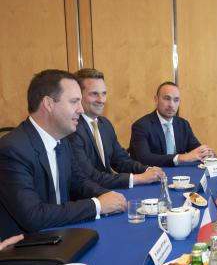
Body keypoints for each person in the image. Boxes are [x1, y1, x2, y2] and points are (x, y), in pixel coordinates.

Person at [0, 69, 126, 239]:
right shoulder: (12, 149)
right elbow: (33, 216)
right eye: (74, 101)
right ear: (49, 104)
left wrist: (108, 196)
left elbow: (78, 182)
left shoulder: (63, 140)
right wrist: (97, 205)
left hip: (62, 235)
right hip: (27, 248)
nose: (81, 110)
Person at [68, 68, 164, 189]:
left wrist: (147, 169)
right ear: (78, 96)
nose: (101, 100)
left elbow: (121, 161)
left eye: (104, 93)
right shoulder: (72, 129)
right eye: (94, 94)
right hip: (89, 197)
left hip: (109, 190)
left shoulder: (105, 124)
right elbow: (90, 176)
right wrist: (138, 178)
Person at [129, 81, 214, 167]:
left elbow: (197, 150)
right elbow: (144, 158)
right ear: (156, 99)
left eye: (176, 100)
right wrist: (180, 158)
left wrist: (207, 154)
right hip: (152, 176)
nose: (171, 105)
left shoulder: (183, 124)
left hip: (180, 177)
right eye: (167, 98)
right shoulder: (141, 126)